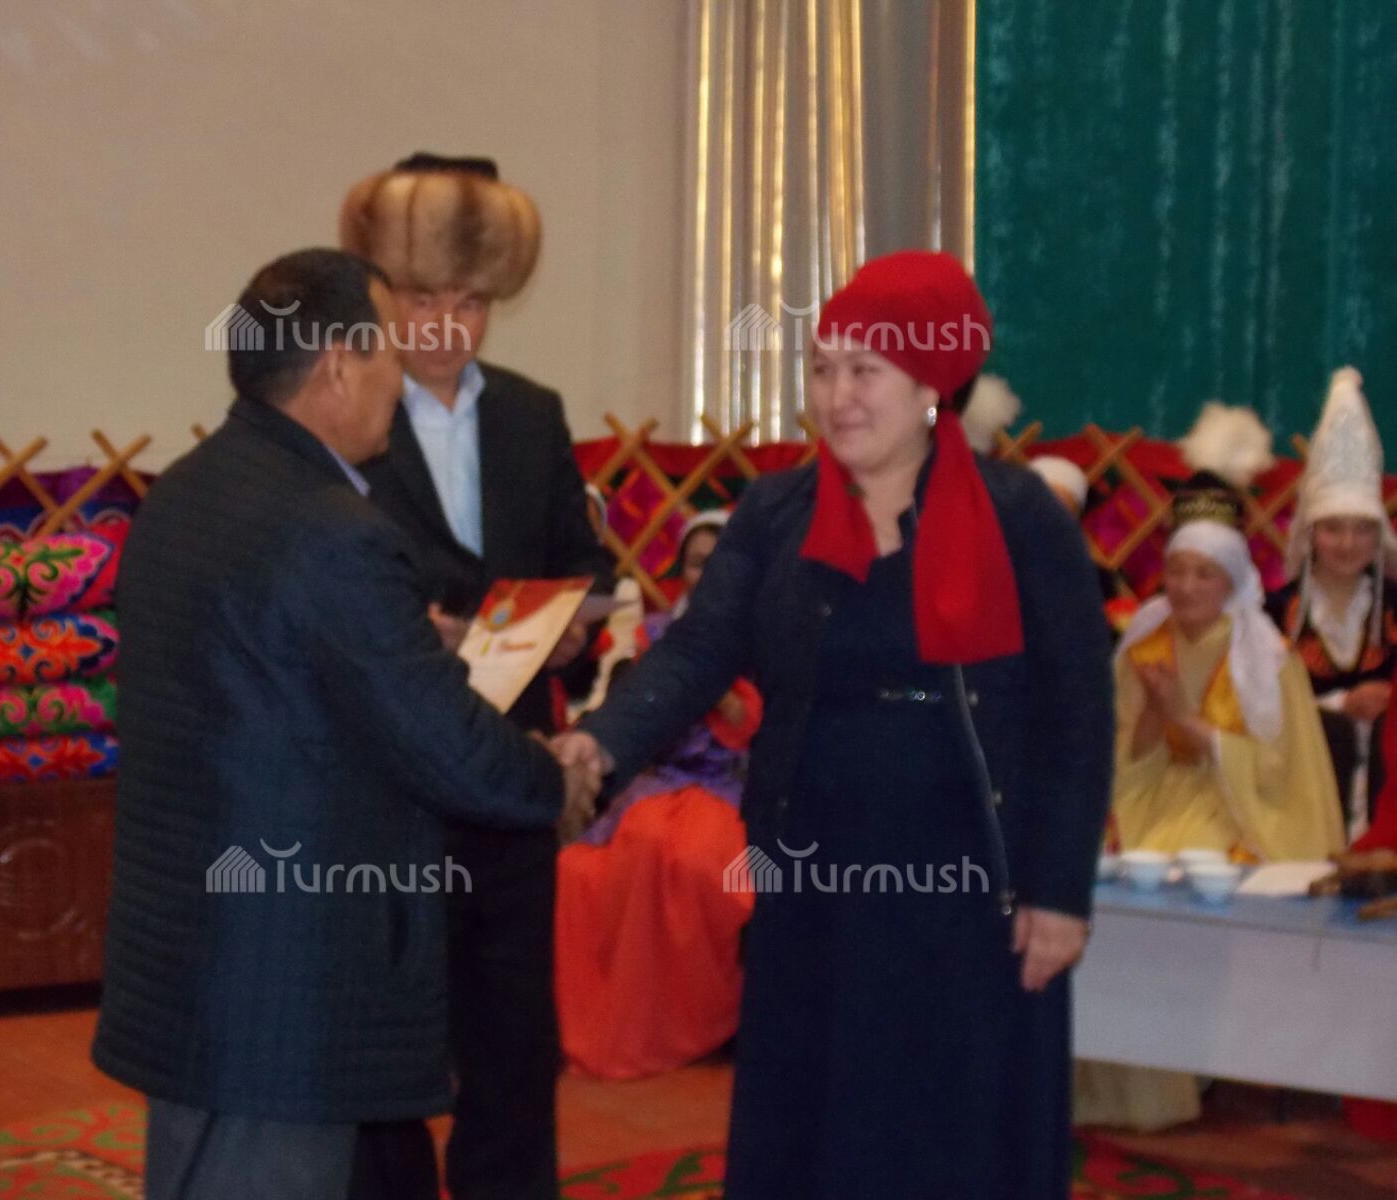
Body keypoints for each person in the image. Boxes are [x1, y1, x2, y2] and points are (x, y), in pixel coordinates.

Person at [557, 250, 1114, 1199]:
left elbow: (1077, 712)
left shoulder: (1020, 517)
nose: (835, 395)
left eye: (864, 371)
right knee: (818, 1129)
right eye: (821, 369)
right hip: (813, 876)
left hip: (969, 886)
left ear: (931, 384)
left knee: (950, 1136)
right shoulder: (774, 512)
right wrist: (598, 740)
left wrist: (1059, 892)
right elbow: (697, 651)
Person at [90, 249, 597, 1200]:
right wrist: (551, 780)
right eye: (390, 355)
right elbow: (440, 740)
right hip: (283, 978)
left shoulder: (186, 491)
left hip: (198, 952)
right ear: (336, 366)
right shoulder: (331, 530)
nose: (398, 384)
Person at [342, 154, 613, 1200]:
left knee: (514, 1031)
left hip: (510, 764)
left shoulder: (531, 414)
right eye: (423, 301)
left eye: (469, 303)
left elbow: (582, 563)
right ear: (385, 298)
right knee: (391, 1028)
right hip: (398, 775)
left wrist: (572, 625)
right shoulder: (349, 416)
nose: (446, 326)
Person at [1082, 467, 1347, 1132]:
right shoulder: (1143, 645)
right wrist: (1156, 713)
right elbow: (1120, 757)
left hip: (1234, 808)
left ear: (1229, 582)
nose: (1185, 587)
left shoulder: (1266, 658)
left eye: (1203, 574)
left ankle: (1175, 1073)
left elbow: (1280, 770)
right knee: (1108, 882)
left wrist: (1187, 719)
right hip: (1150, 799)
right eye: (1176, 571)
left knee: (1174, 877)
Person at [555, 509, 760, 1080]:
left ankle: (682, 1023)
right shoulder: (658, 635)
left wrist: (713, 690)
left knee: (689, 861)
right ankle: (594, 1021)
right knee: (580, 869)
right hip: (657, 779)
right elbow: (642, 716)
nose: (706, 575)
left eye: (717, 564)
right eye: (695, 564)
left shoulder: (764, 631)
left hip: (727, 781)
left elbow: (748, 725)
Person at [1267, 368, 1397, 840]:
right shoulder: (1275, 612)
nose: (1347, 543)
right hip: (1302, 780)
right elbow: (1257, 706)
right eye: (1333, 528)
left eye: (1362, 529)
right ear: (1310, 534)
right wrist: (1342, 704)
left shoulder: (1393, 606)